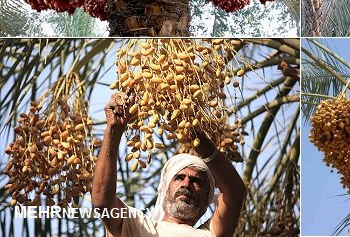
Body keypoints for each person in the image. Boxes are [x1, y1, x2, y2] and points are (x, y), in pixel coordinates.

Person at [92, 92, 247, 237]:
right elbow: (102, 202)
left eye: (196, 181)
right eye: (179, 177)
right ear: (165, 189)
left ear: (207, 197)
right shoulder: (139, 226)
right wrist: (114, 129)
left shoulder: (210, 234)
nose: (186, 184)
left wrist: (194, 134)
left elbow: (235, 193)